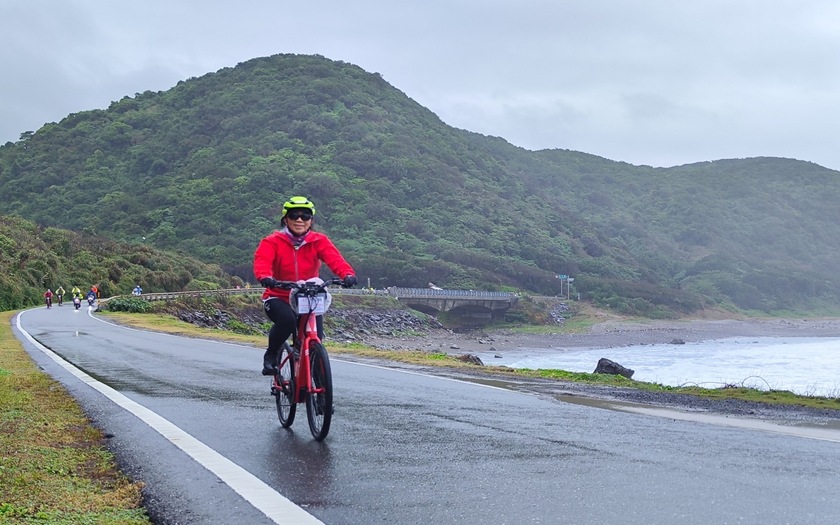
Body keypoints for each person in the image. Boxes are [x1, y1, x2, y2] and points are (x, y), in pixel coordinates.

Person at [253, 196, 357, 375]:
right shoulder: (272, 241)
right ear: (286, 219)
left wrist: (347, 274)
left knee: (316, 341)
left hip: (308, 297)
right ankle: (271, 354)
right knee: (287, 320)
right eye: (294, 216)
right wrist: (265, 277)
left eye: (305, 216)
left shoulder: (319, 241)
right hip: (279, 295)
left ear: (311, 220)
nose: (300, 220)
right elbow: (262, 262)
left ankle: (321, 398)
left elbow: (335, 260)